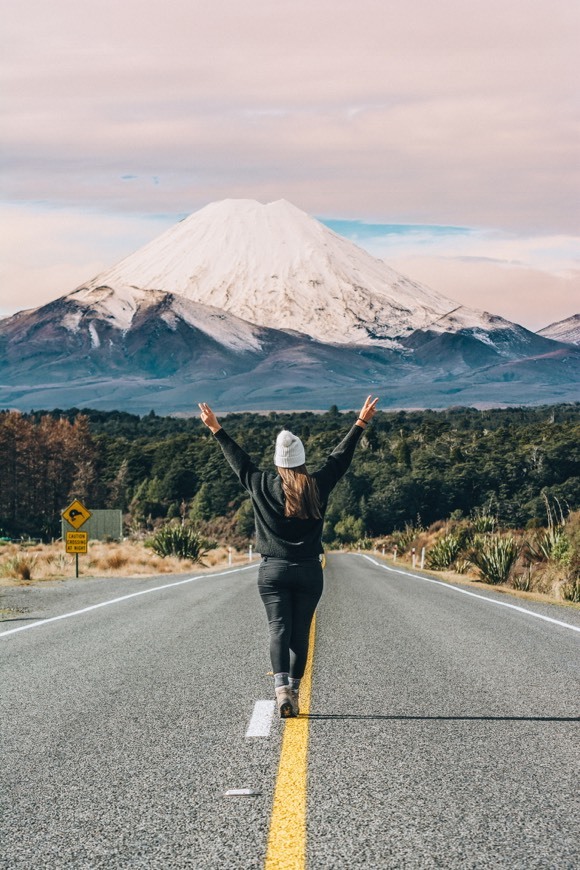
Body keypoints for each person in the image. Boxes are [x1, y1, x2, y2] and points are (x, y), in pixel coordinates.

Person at [198, 395, 379, 717]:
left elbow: (239, 461)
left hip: (272, 571)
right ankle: (294, 691)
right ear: (302, 461)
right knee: (301, 631)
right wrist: (360, 424)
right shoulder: (316, 486)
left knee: (278, 629)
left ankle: (281, 690)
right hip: (309, 571)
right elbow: (340, 458)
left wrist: (217, 429)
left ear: (278, 462)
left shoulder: (261, 484)